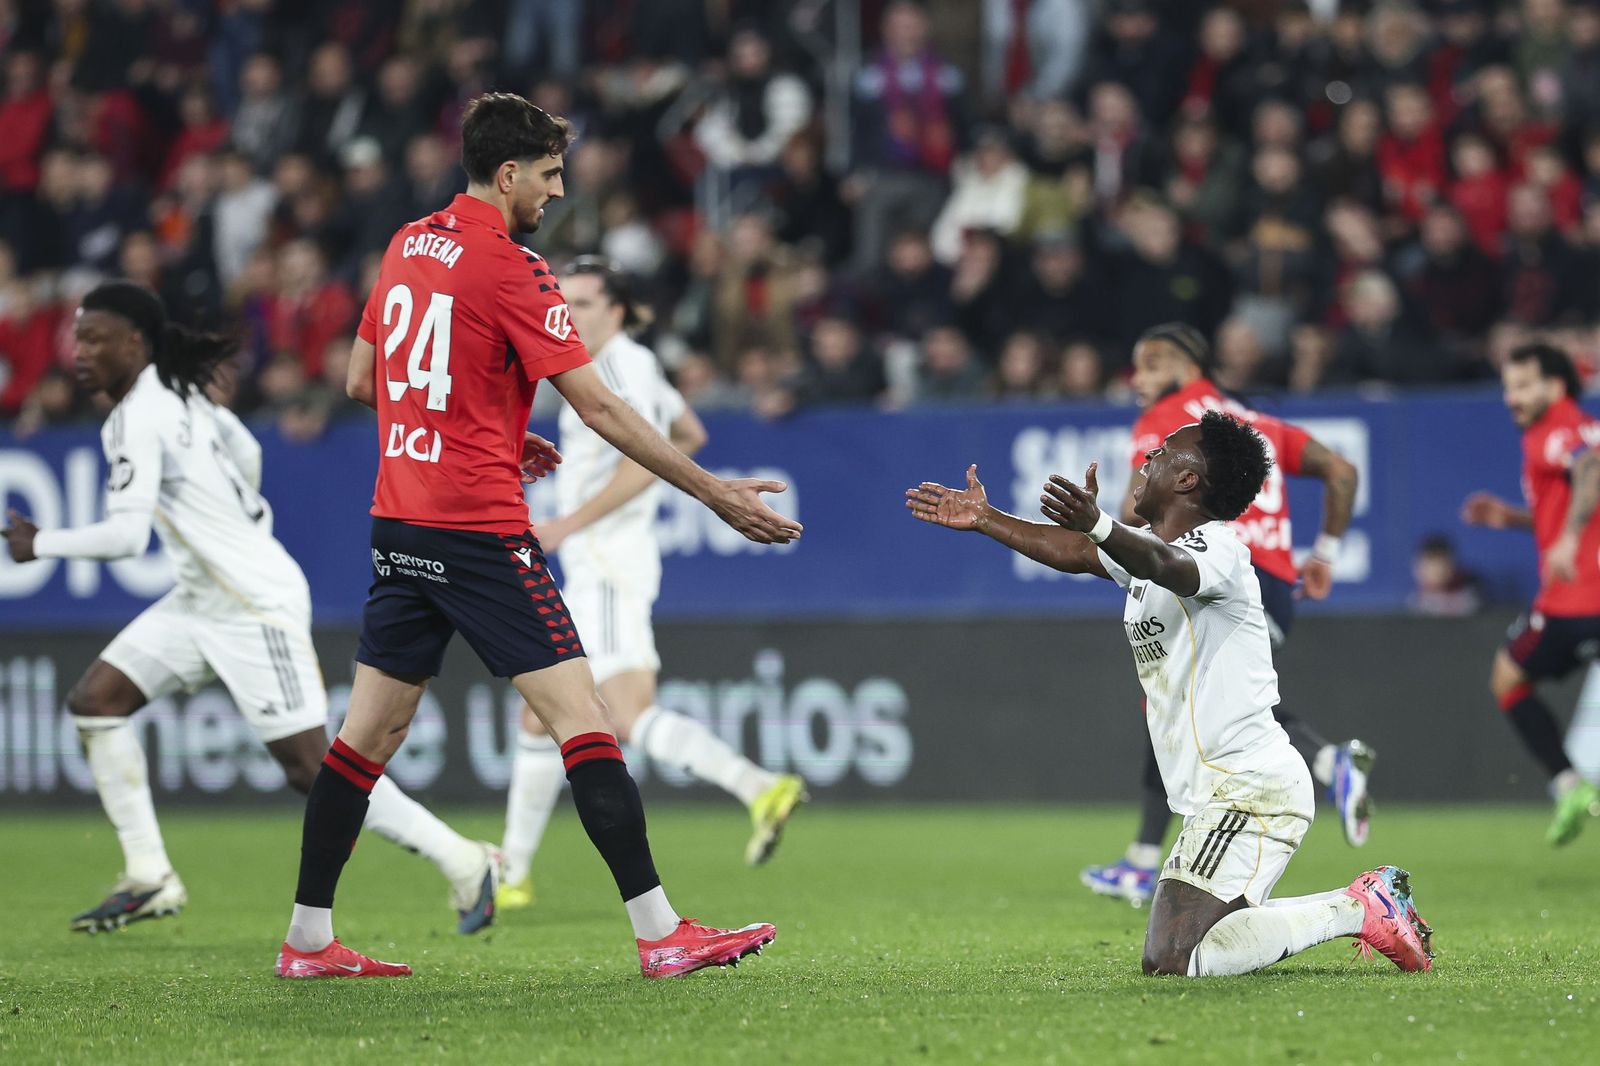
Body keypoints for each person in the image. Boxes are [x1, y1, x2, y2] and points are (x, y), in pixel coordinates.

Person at [273, 93, 802, 981]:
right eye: (552, 176)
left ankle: (308, 939)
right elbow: (599, 407)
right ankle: (662, 932)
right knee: (585, 718)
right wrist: (714, 493)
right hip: (478, 532)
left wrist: (491, 430)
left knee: (365, 739)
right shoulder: (512, 268)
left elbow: (368, 379)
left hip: (399, 522)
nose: (558, 193)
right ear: (510, 172)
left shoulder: (406, 243)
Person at [1, 281, 501, 936]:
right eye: (78, 336)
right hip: (203, 598)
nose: (80, 351)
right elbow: (250, 452)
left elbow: (125, 537)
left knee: (312, 768)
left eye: (96, 339)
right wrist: (239, 519)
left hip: (249, 603)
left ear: (136, 343)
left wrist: (43, 544)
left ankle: (465, 861)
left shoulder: (136, 417)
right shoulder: (180, 396)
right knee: (97, 702)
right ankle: (150, 874)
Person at [905, 411, 1434, 976]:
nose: (1147, 458)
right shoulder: (1144, 552)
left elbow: (1170, 566)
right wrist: (987, 518)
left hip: (1249, 790)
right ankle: (1361, 905)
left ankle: (1359, 907)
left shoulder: (1219, 548)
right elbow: (1077, 552)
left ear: (1186, 481)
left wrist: (1102, 526)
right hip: (1216, 795)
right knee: (1196, 945)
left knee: (1172, 959)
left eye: (1161, 452)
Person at [497, 257, 807, 911]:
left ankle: (757, 786)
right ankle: (514, 871)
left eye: (582, 303)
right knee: (538, 709)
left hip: (606, 559)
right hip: (604, 560)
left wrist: (567, 523)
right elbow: (687, 433)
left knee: (623, 714)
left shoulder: (619, 367)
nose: (569, 313)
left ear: (617, 309)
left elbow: (648, 467)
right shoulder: (627, 364)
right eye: (564, 301)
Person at [1080, 323, 1373, 908]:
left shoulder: (1171, 425)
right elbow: (1342, 472)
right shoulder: (1251, 423)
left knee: (1183, 695)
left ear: (1188, 368)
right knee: (1198, 695)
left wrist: (1099, 534)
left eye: (1151, 364)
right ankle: (1144, 858)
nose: (1139, 379)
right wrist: (1325, 554)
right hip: (1277, 585)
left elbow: (1129, 522)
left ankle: (1324, 760)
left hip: (1209, 573)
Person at [1461, 342, 1600, 845]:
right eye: (1506, 387)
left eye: (1522, 386)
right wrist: (1516, 518)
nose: (1510, 397)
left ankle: (1568, 785)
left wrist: (1567, 537)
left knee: (1508, 678)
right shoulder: (1577, 425)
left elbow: (1590, 470)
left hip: (1576, 601)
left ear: (1555, 386)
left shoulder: (1556, 431)